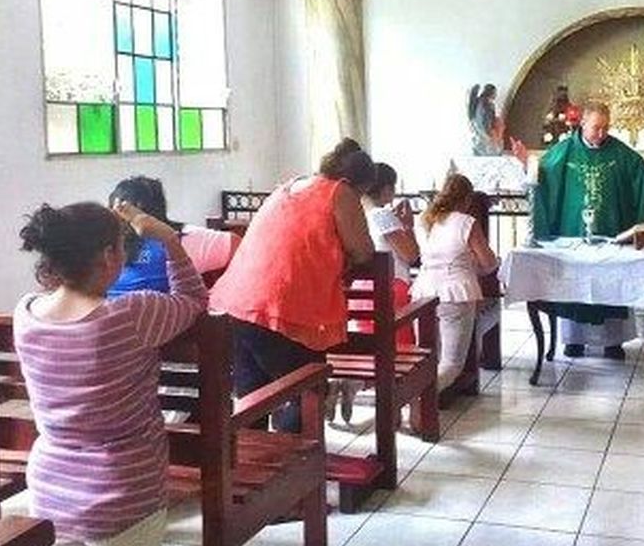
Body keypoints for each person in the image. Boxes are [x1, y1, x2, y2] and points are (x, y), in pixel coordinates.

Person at [13, 199, 208, 546]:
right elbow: (194, 300)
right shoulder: (131, 315)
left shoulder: (26, 313)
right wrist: (169, 240)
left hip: (50, 488)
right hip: (123, 492)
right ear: (108, 256)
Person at [209, 140, 378, 431]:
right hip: (282, 307)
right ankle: (294, 457)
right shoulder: (340, 192)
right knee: (306, 395)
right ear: (356, 184)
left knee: (252, 398)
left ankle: (253, 459)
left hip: (235, 303)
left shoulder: (288, 187)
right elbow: (363, 251)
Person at [520, 100, 644, 359]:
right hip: (573, 233)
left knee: (610, 282)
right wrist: (528, 165)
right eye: (596, 128)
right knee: (574, 284)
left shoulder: (620, 153)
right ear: (582, 124)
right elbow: (542, 174)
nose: (601, 133)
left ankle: (613, 342)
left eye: (606, 128)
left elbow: (638, 170)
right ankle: (574, 340)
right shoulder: (565, 150)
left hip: (609, 232)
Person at [412, 173, 500, 395]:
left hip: (423, 291)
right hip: (456, 293)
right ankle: (415, 399)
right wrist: (475, 265)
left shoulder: (424, 219)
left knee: (425, 359)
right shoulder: (466, 222)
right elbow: (489, 263)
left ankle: (416, 399)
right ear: (467, 199)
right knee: (451, 365)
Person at [104, 176, 240, 296]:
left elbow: (236, 245)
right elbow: (239, 246)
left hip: (130, 312)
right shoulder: (181, 238)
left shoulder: (182, 238)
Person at [362, 162, 419, 349]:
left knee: (371, 346)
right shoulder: (383, 215)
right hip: (391, 287)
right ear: (386, 188)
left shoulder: (360, 214)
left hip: (364, 288)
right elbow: (411, 255)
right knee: (398, 345)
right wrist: (408, 226)